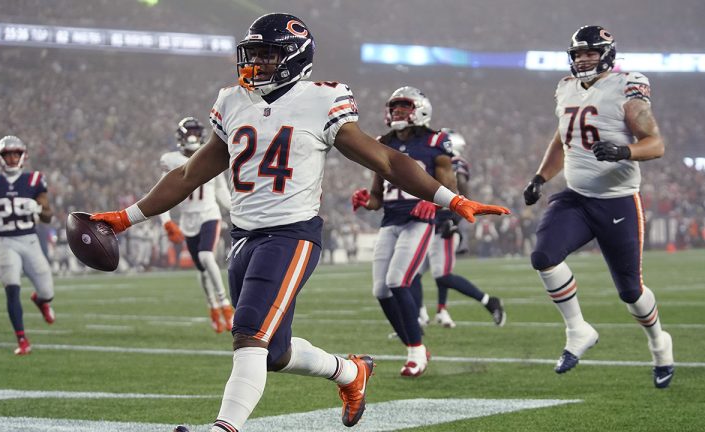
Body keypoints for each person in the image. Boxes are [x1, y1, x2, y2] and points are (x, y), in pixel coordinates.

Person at [89, 13, 509, 432]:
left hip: (292, 234)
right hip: (243, 238)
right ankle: (350, 372)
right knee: (274, 352)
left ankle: (223, 428)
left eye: (267, 55)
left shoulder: (322, 99)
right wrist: (126, 218)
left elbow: (387, 160)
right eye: (252, 54)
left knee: (249, 335)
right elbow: (187, 176)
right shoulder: (232, 101)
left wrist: (450, 198)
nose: (255, 64)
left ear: (295, 57)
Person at [522, 25, 674, 388]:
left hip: (617, 201)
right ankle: (578, 330)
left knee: (631, 292)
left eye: (590, 52)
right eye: (578, 54)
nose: (584, 59)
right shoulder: (565, 87)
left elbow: (655, 144)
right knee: (544, 255)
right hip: (576, 197)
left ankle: (659, 344)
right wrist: (541, 177)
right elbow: (562, 138)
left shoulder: (627, 86)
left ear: (606, 53)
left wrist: (625, 151)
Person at [352, 87, 505, 377]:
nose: (397, 112)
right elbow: (377, 196)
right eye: (394, 107)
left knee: (398, 280)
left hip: (420, 222)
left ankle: (415, 350)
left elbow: (450, 187)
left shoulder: (436, 142)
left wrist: (432, 206)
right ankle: (415, 345)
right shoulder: (383, 142)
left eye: (403, 107)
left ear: (420, 109)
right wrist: (365, 200)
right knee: (380, 289)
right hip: (391, 220)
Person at [410, 129, 506, 329]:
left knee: (442, 274)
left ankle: (489, 301)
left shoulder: (454, 162)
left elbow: (462, 191)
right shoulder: (437, 160)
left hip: (445, 222)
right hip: (431, 221)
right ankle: (422, 317)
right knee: (414, 274)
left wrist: (454, 221)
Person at [0, 136, 56, 356]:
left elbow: (49, 216)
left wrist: (38, 210)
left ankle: (41, 301)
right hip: (6, 242)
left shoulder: (34, 180)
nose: (11, 158)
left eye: (15, 154)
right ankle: (22, 339)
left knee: (48, 291)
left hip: (29, 241)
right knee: (12, 289)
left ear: (23, 156)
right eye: (7, 155)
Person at [159, 117, 235, 333]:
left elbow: (220, 190)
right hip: (187, 220)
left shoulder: (211, 154)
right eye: (188, 133)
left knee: (205, 256)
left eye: (195, 133)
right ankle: (212, 307)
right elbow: (161, 193)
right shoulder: (170, 160)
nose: (192, 137)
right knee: (202, 269)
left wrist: (235, 209)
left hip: (209, 214)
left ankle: (225, 304)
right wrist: (167, 223)